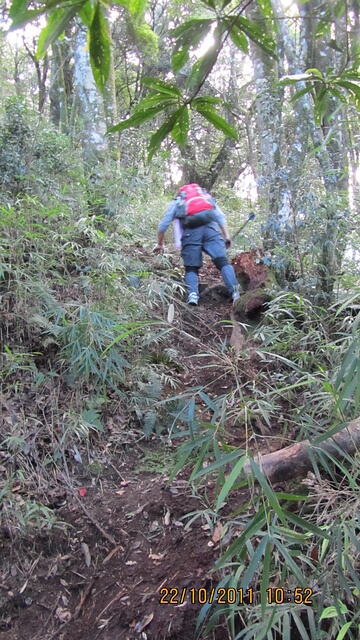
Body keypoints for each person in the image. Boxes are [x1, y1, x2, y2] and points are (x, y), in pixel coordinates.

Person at [153, 183, 241, 305]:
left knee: (191, 267)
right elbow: (220, 217)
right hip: (212, 230)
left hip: (190, 234)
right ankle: (235, 292)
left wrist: (160, 244)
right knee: (222, 261)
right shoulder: (205, 197)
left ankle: (193, 296)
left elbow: (163, 225)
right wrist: (227, 236)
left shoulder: (178, 201)